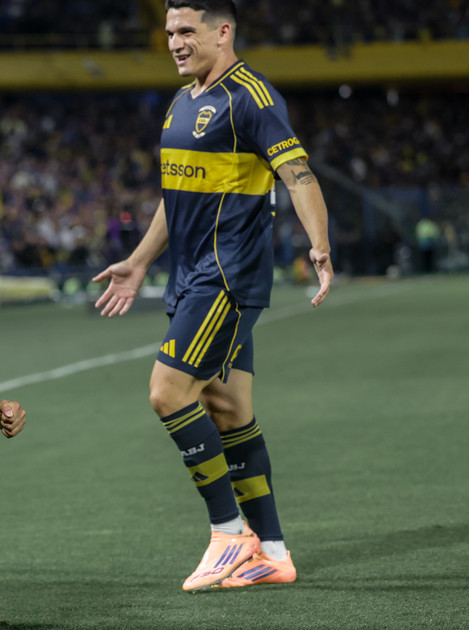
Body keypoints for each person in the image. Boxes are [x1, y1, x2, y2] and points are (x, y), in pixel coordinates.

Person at [93, 0, 333, 592]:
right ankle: (272, 553)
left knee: (167, 392)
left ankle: (229, 533)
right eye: (169, 31)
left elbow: (298, 174)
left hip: (226, 277)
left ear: (222, 31)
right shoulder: (182, 101)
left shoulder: (252, 98)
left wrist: (320, 246)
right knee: (228, 409)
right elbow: (177, 194)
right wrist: (139, 262)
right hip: (190, 277)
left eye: (186, 31)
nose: (174, 42)